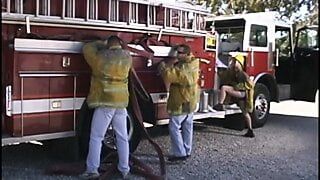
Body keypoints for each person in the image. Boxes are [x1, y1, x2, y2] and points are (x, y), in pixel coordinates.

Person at [80, 35, 132, 179]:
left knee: (96, 136)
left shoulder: (100, 58)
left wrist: (100, 43)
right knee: (122, 137)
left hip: (105, 102)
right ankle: (124, 169)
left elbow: (87, 48)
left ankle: (92, 170)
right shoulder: (127, 57)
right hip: (121, 103)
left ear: (108, 44)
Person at [158, 44, 200, 162]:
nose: (178, 55)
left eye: (180, 53)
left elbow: (171, 75)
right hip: (189, 99)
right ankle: (187, 150)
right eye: (177, 52)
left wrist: (163, 67)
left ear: (187, 54)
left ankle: (180, 154)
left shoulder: (185, 67)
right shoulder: (193, 63)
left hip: (181, 100)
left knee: (174, 127)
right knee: (187, 126)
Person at [213, 54, 255, 138]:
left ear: (239, 63)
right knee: (245, 113)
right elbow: (223, 76)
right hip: (239, 94)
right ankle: (250, 130)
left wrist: (236, 86)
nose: (233, 62)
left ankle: (220, 104)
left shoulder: (242, 74)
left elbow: (250, 85)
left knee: (224, 88)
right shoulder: (233, 72)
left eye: (235, 61)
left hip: (241, 93)